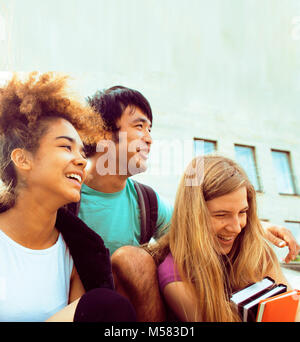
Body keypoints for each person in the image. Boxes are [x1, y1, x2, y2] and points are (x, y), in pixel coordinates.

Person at [70, 85, 299, 261]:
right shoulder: (62, 193)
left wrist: (260, 228)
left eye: (150, 129)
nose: (149, 138)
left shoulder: (146, 202)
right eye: (139, 127)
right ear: (102, 132)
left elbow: (196, 225)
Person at [0, 72, 136, 322]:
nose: (82, 160)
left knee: (106, 306)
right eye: (66, 147)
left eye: (82, 151)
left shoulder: (79, 252)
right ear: (22, 159)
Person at [146, 155, 298, 322]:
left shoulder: (255, 249)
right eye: (221, 215)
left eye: (242, 212)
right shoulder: (175, 275)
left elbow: (293, 312)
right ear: (192, 216)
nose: (236, 227)